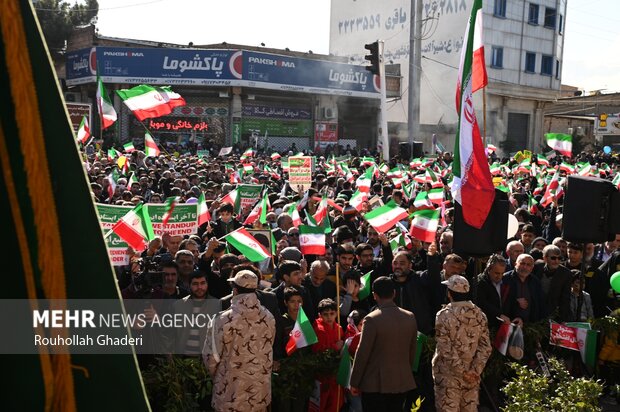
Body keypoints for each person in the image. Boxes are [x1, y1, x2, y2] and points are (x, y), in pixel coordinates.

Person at [202, 270, 276, 412]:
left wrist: (219, 377)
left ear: (235, 290)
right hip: (259, 393)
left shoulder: (222, 319)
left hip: (229, 393)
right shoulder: (269, 317)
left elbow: (211, 358)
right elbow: (268, 347)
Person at [350, 276, 418, 412]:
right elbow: (412, 350)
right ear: (394, 293)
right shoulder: (410, 316)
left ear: (374, 296)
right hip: (401, 380)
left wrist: (354, 382)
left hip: (375, 383)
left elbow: (363, 352)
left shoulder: (371, 319)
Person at [432, 275, 492, 412]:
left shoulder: (444, 315)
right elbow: (486, 347)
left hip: (448, 377)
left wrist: (462, 371)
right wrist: (474, 370)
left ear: (449, 293)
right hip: (472, 378)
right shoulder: (480, 315)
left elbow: (445, 348)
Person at [312, 298, 345, 412]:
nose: (329, 317)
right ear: (319, 315)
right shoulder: (318, 329)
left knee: (335, 403)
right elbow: (318, 351)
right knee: (321, 403)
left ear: (337, 313)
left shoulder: (339, 328)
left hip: (335, 374)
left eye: (332, 313)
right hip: (322, 374)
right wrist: (336, 347)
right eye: (325, 314)